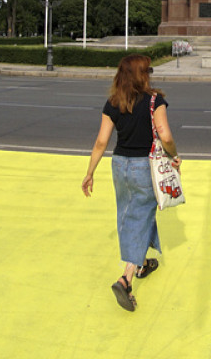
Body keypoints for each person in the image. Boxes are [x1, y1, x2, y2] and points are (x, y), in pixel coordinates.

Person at [82, 54, 182, 311]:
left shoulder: (114, 101)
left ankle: (142, 263)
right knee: (142, 214)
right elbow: (165, 134)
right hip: (144, 166)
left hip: (120, 165)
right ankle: (126, 277)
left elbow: (101, 142)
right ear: (143, 74)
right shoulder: (155, 100)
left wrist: (90, 172)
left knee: (131, 213)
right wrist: (174, 154)